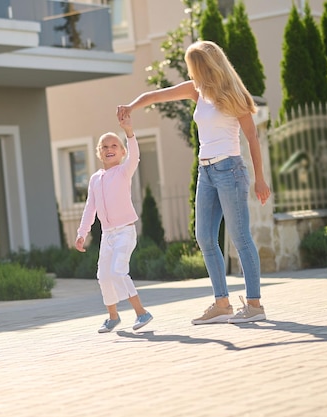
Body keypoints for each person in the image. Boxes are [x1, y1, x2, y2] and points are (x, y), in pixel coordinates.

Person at [117, 40, 270, 324]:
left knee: (240, 238)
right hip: (206, 172)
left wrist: (260, 178)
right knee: (204, 237)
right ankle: (222, 304)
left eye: (194, 66)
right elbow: (154, 96)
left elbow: (252, 138)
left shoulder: (234, 94)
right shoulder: (195, 90)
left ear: (206, 65)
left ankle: (254, 305)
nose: (192, 72)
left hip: (230, 170)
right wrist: (131, 106)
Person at [75, 113, 153, 333]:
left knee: (119, 271)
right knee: (103, 275)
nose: (109, 149)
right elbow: (90, 207)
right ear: (99, 152)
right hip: (107, 235)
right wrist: (83, 232)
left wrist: (129, 132)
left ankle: (141, 313)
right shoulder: (94, 179)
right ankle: (112, 316)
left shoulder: (123, 171)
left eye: (114, 145)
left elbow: (135, 156)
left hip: (125, 233)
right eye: (104, 146)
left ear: (122, 151)